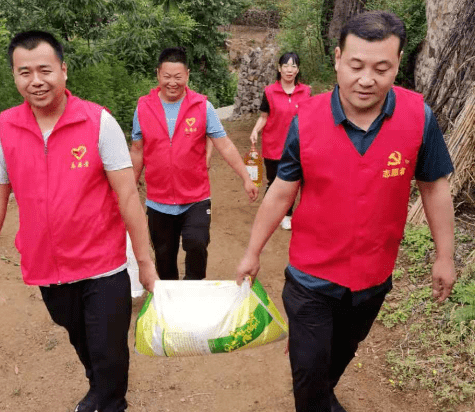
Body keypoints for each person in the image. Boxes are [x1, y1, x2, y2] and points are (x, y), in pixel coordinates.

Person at [236, 11, 456, 412]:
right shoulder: (307, 120)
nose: (366, 78)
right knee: (308, 377)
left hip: (373, 277)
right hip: (311, 279)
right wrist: (252, 252)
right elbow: (282, 191)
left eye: (381, 68)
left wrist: (444, 255)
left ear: (397, 66)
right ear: (338, 59)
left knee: (335, 361)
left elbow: (434, 186)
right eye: (356, 65)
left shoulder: (418, 117)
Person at [0, 31, 159, 412]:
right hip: (47, 267)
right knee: (82, 340)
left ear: (63, 70)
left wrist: (144, 263)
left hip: (102, 264)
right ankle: (103, 390)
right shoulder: (5, 127)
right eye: (25, 72)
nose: (36, 81)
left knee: (108, 350)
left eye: (45, 70)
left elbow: (127, 195)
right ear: (15, 76)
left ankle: (106, 400)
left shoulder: (97, 122)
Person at [130, 47, 259, 281]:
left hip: (196, 198)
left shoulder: (202, 106)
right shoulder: (143, 107)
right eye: (167, 77)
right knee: (164, 258)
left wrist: (246, 177)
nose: (172, 83)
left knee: (197, 246)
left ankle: (194, 293)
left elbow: (225, 144)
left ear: (187, 75)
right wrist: (129, 189)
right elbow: (137, 151)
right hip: (158, 202)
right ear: (158, 74)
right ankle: (172, 308)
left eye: (178, 77)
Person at [249, 52, 311, 230]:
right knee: (274, 181)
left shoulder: (306, 92)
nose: (289, 70)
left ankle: (287, 214)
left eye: (293, 66)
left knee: (295, 181)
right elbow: (263, 117)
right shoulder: (269, 91)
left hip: (298, 146)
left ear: (298, 70)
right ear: (279, 68)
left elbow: (310, 117)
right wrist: (255, 130)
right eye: (286, 66)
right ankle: (271, 213)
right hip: (273, 145)